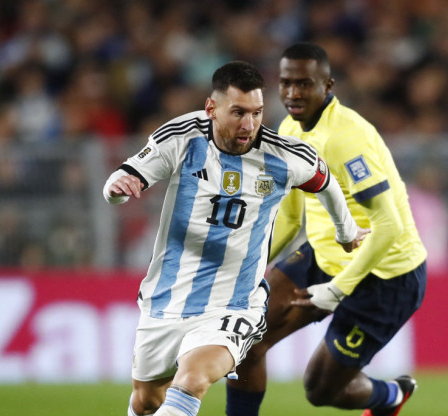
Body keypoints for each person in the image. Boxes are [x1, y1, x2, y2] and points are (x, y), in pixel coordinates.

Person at [103, 61, 368, 416]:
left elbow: (326, 183)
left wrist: (346, 233)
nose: (249, 125)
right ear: (211, 108)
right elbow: (124, 176)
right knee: (147, 400)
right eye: (238, 113)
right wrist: (116, 190)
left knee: (193, 379)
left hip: (235, 303)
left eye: (257, 113)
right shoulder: (184, 136)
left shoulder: (283, 156)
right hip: (167, 297)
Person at [225, 43, 428, 416]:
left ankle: (391, 395)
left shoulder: (346, 138)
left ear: (328, 85)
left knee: (320, 391)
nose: (293, 93)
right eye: (286, 83)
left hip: (386, 276)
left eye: (304, 84)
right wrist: (247, 264)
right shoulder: (288, 130)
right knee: (243, 339)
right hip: (324, 256)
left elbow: (389, 225)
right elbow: (289, 216)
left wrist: (338, 289)